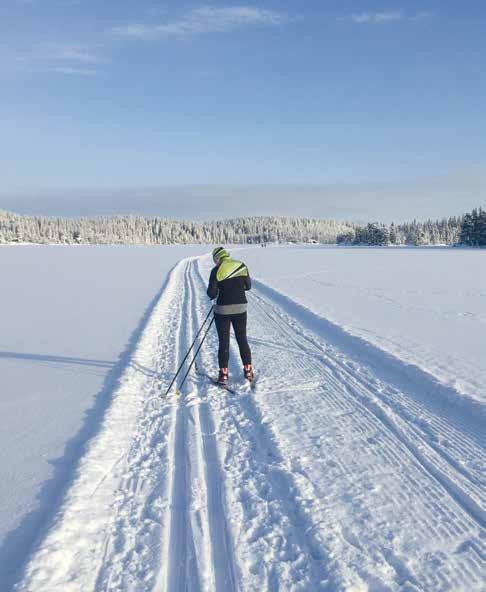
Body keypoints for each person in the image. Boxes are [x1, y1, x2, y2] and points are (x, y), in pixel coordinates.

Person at [207, 247, 253, 385]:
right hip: (241, 308)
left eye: (215, 260)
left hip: (222, 310)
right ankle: (248, 371)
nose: (215, 263)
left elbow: (211, 293)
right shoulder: (241, 265)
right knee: (242, 339)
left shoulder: (216, 271)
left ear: (218, 258)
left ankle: (223, 375)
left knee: (224, 341)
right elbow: (248, 286)